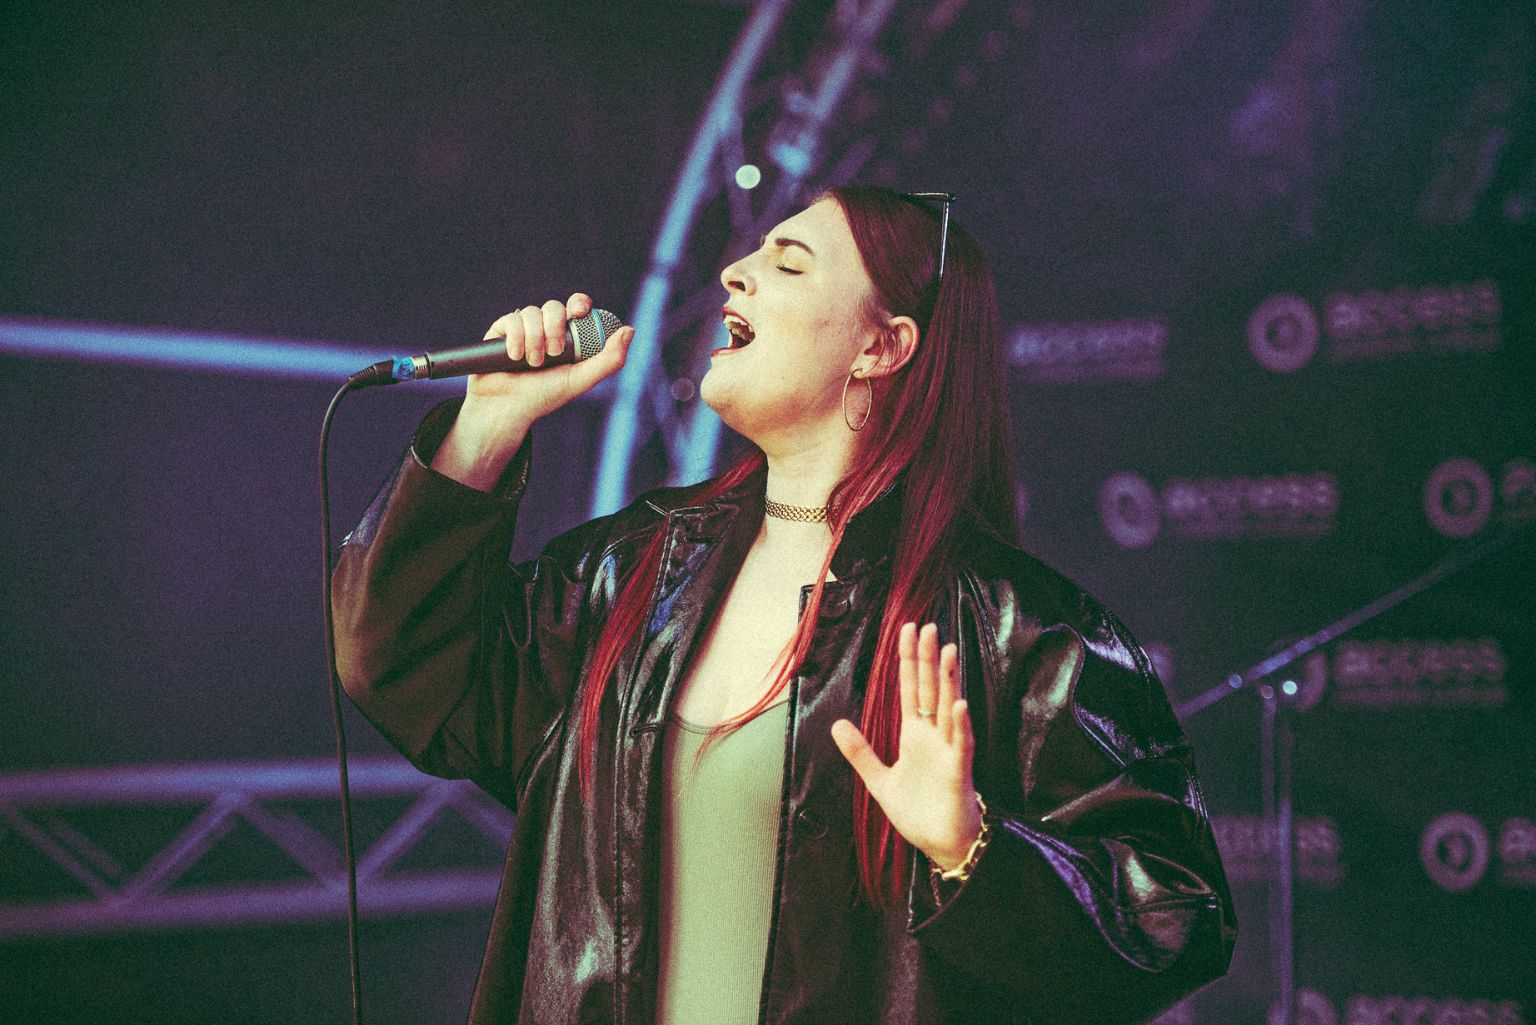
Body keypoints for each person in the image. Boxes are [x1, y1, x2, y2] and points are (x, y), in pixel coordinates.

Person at [331, 185, 1236, 1024]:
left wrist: (971, 849)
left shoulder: (1018, 632)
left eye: (790, 261)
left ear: (883, 346)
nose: (735, 272)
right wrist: (487, 424)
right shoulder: (631, 573)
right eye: (752, 254)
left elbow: (1174, 915)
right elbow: (405, 664)